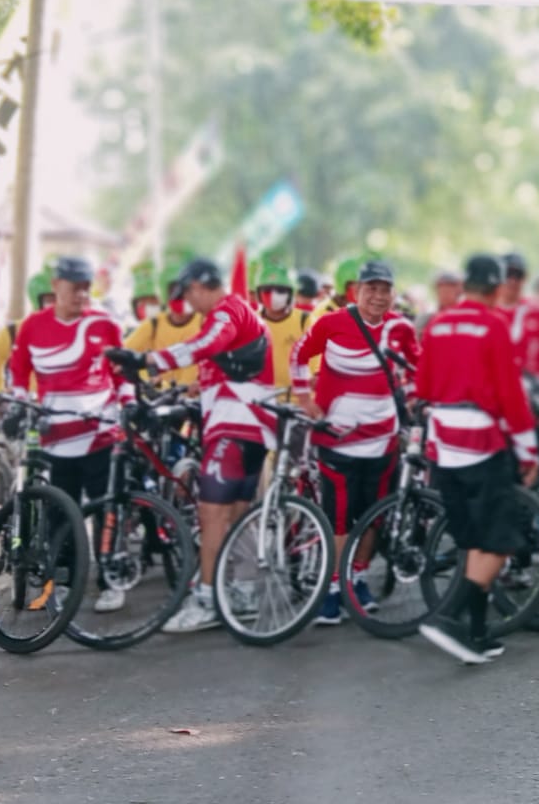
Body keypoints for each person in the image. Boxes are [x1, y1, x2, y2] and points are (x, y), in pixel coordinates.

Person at [108, 257, 276, 634]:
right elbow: (221, 368)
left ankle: (206, 599)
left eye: (187, 293)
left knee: (211, 516)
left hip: (234, 427)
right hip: (252, 428)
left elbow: (206, 344)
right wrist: (187, 395)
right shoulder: (239, 313)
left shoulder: (225, 311)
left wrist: (148, 360)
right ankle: (243, 593)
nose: (187, 302)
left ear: (200, 286)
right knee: (237, 515)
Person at [414, 255, 539, 664]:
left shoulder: (437, 324)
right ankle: (447, 617)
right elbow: (510, 394)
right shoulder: (493, 325)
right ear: (497, 286)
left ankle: (478, 632)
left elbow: (424, 386)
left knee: (472, 539)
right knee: (500, 540)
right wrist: (528, 451)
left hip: (443, 443)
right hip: (481, 441)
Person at [7, 257, 132, 613]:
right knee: (63, 512)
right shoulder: (33, 326)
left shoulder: (105, 324)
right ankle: (63, 582)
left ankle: (111, 579)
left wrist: (129, 403)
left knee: (105, 507)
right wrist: (18, 403)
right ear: (56, 284)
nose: (81, 294)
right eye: (74, 286)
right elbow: (19, 373)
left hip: (101, 433)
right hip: (57, 438)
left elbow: (120, 372)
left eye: (85, 287)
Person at [291, 259, 408, 625]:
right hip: (337, 440)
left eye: (384, 289)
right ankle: (332, 586)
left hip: (384, 442)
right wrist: (304, 398)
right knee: (338, 518)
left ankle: (356, 577)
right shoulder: (331, 323)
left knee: (375, 515)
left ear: (392, 293)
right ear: (355, 291)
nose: (378, 296)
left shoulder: (401, 329)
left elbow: (417, 369)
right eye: (370, 288)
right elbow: (299, 355)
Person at [122, 259, 204, 389]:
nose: (180, 297)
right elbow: (126, 354)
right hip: (160, 397)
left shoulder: (204, 323)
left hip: (192, 399)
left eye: (185, 292)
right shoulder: (154, 324)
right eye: (173, 292)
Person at [497, 252, 539, 386]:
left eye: (518, 275)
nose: (512, 280)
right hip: (497, 387)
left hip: (532, 387)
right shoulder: (488, 312)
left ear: (525, 278)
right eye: (507, 274)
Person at [0, 268, 54, 393]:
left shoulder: (79, 330)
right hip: (25, 403)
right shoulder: (13, 331)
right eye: (50, 300)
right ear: (36, 299)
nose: (57, 304)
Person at [254, 257, 311, 390]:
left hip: (297, 399)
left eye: (280, 290)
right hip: (262, 398)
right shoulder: (252, 322)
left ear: (290, 293)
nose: (273, 295)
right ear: (259, 293)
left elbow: (316, 361)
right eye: (267, 290)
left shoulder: (304, 321)